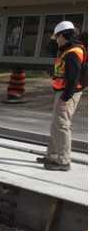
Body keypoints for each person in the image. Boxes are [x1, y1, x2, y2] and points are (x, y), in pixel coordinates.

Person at [38, 21, 87, 171]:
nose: (57, 41)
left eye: (57, 37)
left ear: (61, 35)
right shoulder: (73, 50)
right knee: (56, 126)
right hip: (66, 91)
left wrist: (66, 97)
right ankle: (52, 155)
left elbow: (73, 78)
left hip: (67, 94)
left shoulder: (72, 53)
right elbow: (67, 75)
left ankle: (63, 160)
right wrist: (54, 76)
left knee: (62, 126)